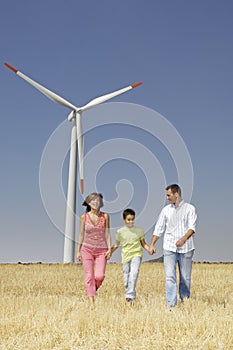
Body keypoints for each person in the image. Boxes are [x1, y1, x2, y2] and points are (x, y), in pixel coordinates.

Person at [149, 184, 197, 309]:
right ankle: (171, 305)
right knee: (170, 276)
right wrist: (152, 244)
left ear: (176, 194)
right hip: (169, 247)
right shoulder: (166, 210)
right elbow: (159, 228)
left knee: (185, 277)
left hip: (186, 248)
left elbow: (192, 228)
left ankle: (185, 301)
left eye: (169, 195)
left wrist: (183, 239)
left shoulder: (190, 208)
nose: (167, 198)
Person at [76, 193, 111, 307]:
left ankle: (92, 288)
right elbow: (81, 234)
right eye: (93, 200)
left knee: (99, 276)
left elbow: (107, 233)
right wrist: (78, 250)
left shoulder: (105, 216)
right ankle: (92, 303)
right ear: (88, 202)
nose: (95, 202)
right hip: (87, 250)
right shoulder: (84, 217)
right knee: (89, 276)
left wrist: (110, 249)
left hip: (102, 250)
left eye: (97, 200)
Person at [111, 208, 152, 303]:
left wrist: (149, 249)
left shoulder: (139, 231)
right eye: (129, 219)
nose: (131, 221)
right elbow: (116, 245)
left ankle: (130, 297)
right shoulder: (120, 232)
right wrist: (110, 252)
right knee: (126, 280)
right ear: (124, 220)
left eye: (132, 219)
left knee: (134, 274)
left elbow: (143, 244)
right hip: (125, 256)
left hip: (136, 254)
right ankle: (128, 292)